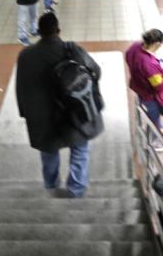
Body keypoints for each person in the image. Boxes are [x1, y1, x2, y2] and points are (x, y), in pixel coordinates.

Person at [16, 13, 102, 198]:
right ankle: (76, 189)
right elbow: (95, 72)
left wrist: (25, 113)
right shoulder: (72, 50)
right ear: (58, 30)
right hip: (74, 115)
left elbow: (20, 87)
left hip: (43, 118)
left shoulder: (26, 56)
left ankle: (51, 185)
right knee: (79, 150)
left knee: (49, 153)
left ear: (39, 32)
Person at [125, 29, 163, 133]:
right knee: (154, 118)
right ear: (156, 43)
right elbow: (158, 85)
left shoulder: (135, 46)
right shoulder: (148, 64)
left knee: (153, 116)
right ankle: (154, 140)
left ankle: (159, 127)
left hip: (138, 86)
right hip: (149, 96)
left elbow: (128, 57)